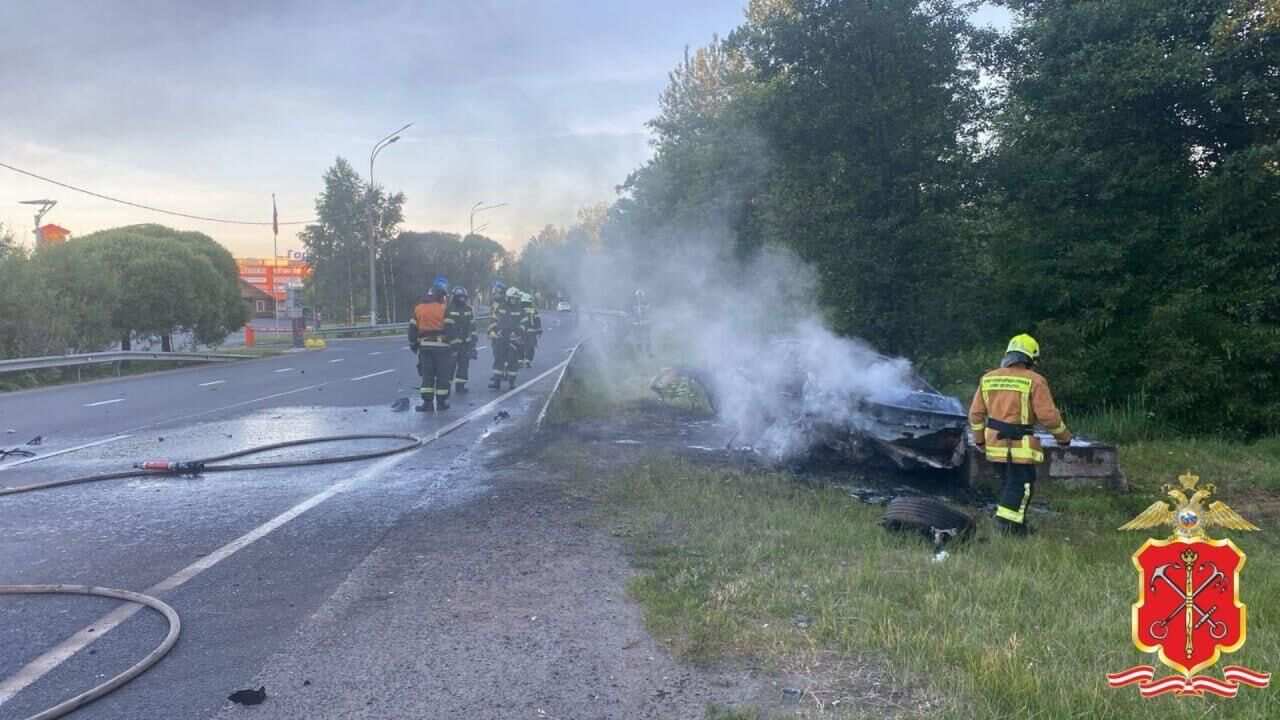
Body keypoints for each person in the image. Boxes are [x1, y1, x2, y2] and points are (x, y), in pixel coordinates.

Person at [968, 334, 1070, 535]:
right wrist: (1064, 438)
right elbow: (1048, 417)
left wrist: (979, 441)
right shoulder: (1035, 380)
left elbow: (975, 414)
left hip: (995, 446)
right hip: (1019, 447)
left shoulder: (988, 378)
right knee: (1022, 486)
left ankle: (1017, 525)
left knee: (1010, 484)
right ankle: (1006, 526)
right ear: (1030, 358)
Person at [407, 285, 453, 412]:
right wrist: (454, 346)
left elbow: (412, 330)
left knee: (427, 375)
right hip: (442, 348)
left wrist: (413, 345)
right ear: (439, 296)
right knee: (442, 375)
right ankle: (441, 403)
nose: (444, 299)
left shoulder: (418, 309)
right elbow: (450, 329)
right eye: (443, 297)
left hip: (425, 348)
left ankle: (428, 403)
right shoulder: (444, 309)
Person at [488, 286, 528, 390]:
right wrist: (495, 331)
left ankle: (511, 381)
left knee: (512, 361)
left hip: (513, 340)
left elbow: (524, 323)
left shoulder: (520, 309)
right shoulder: (501, 307)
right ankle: (496, 381)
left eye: (515, 298)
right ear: (508, 298)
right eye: (512, 298)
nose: (514, 300)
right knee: (498, 359)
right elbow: (494, 320)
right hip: (501, 338)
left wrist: (516, 332)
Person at [446, 286, 477, 394]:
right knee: (450, 366)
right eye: (461, 297)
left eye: (464, 297)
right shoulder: (449, 309)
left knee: (464, 365)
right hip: (452, 344)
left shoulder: (468, 309)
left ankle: (460, 386)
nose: (463, 299)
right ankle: (445, 388)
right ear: (455, 297)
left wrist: (473, 339)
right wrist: (452, 341)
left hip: (465, 343)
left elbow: (472, 325)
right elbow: (448, 327)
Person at [521, 291, 541, 368]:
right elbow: (537, 321)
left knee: (521, 346)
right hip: (532, 332)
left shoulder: (519, 309)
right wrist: (539, 331)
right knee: (531, 347)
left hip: (521, 331)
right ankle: (528, 360)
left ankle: (520, 360)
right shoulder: (533, 310)